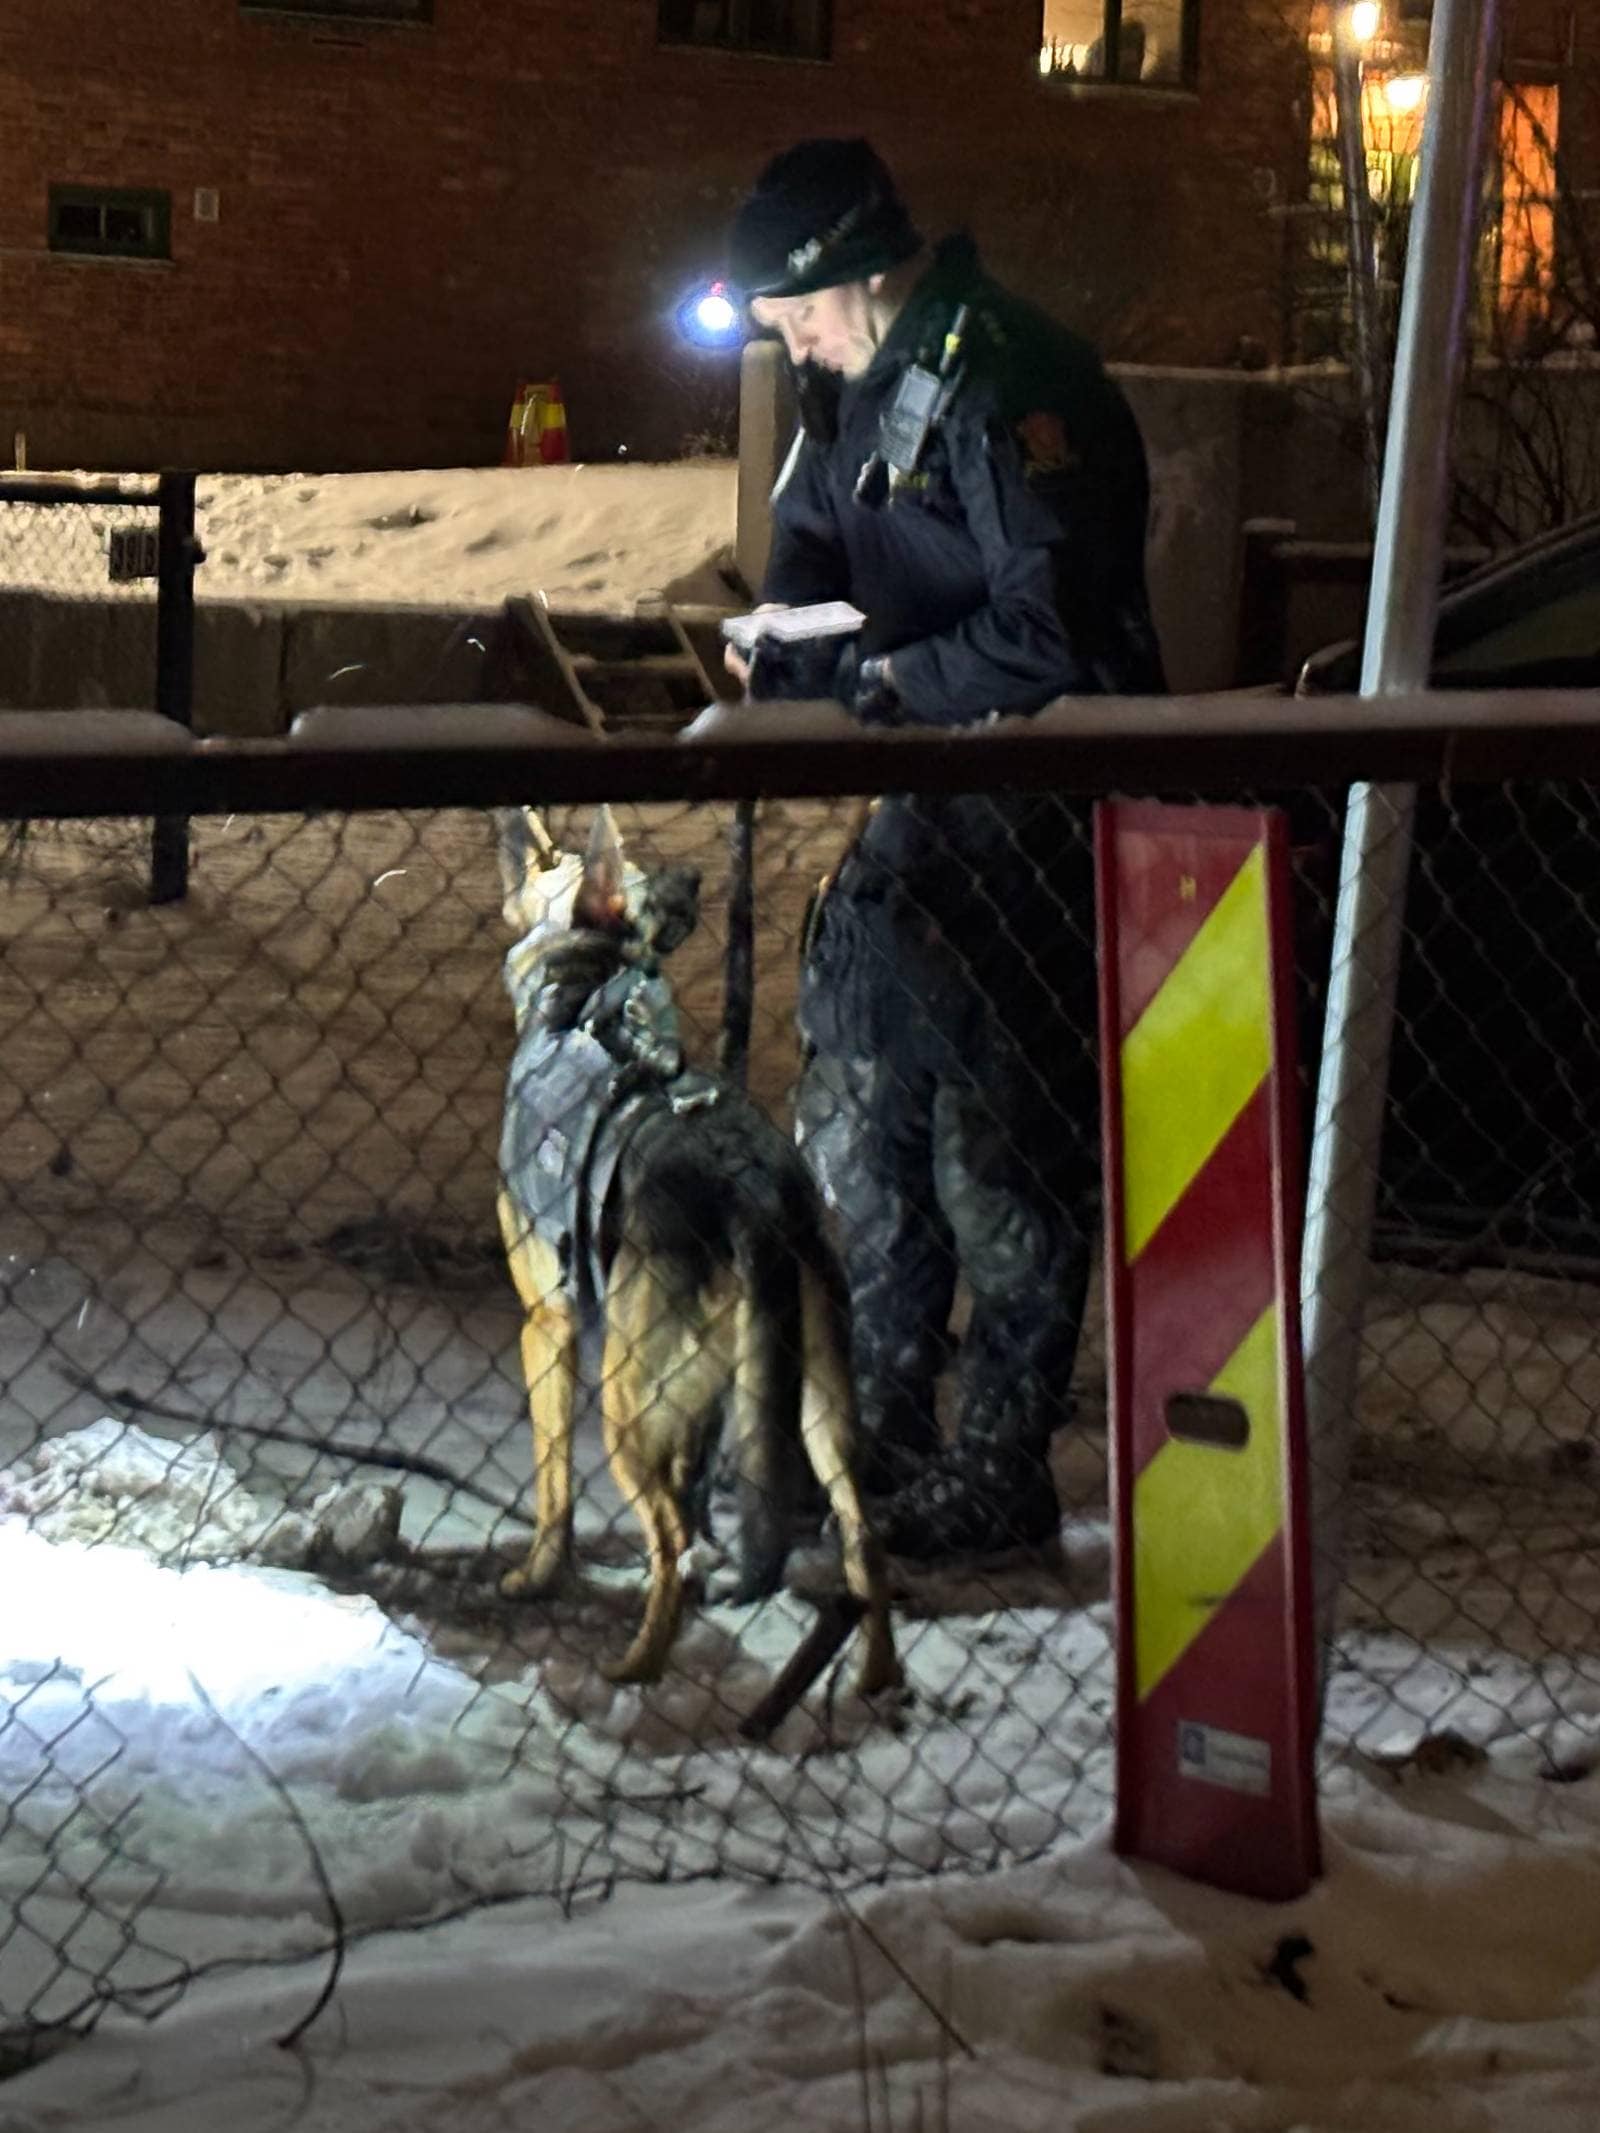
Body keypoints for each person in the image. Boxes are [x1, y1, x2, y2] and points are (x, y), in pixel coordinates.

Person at [724, 138, 1166, 1562]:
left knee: (997, 1152)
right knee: (869, 1123)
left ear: (854, 270)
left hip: (1035, 815)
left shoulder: (1006, 374)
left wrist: (893, 682)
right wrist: (780, 652)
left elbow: (1056, 629)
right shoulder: (852, 387)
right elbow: (815, 569)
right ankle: (889, 1418)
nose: (787, 341)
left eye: (794, 311)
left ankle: (1001, 1463)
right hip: (921, 817)